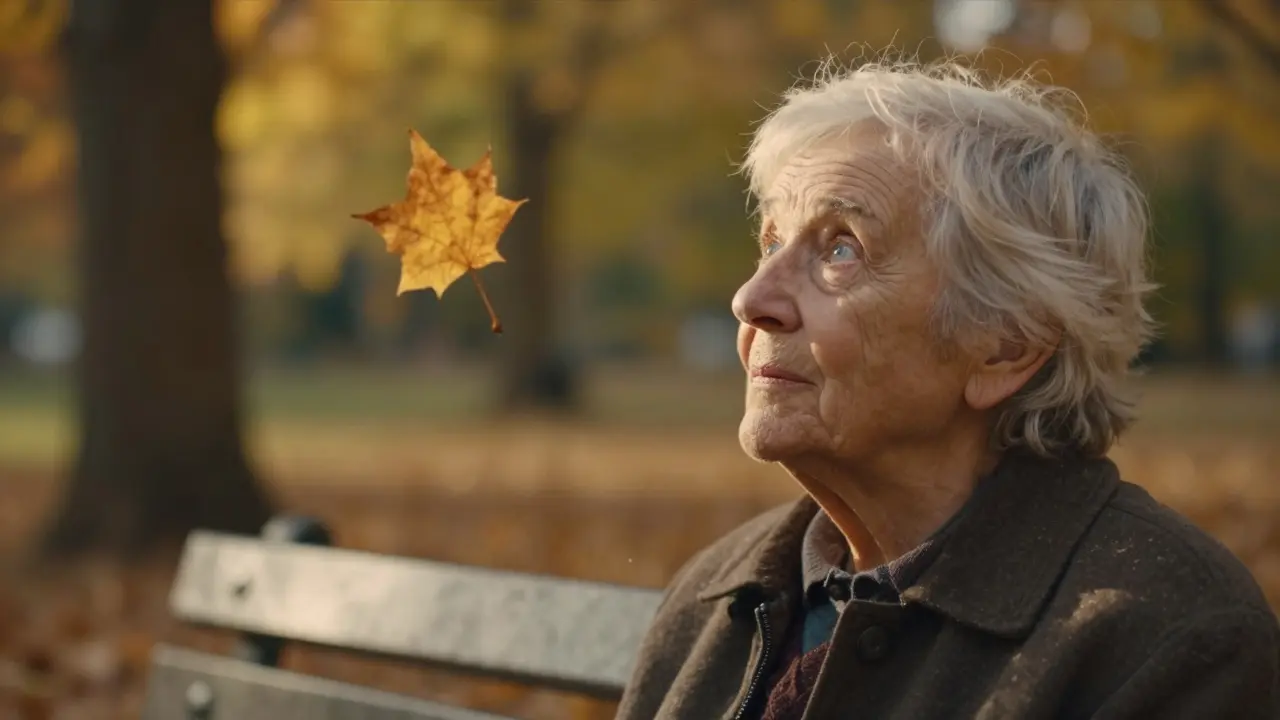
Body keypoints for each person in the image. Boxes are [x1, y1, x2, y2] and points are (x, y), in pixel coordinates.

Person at [614, 58, 1279, 720]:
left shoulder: (1168, 637)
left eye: (841, 249)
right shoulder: (715, 595)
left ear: (1006, 345)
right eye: (772, 244)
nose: (751, 299)